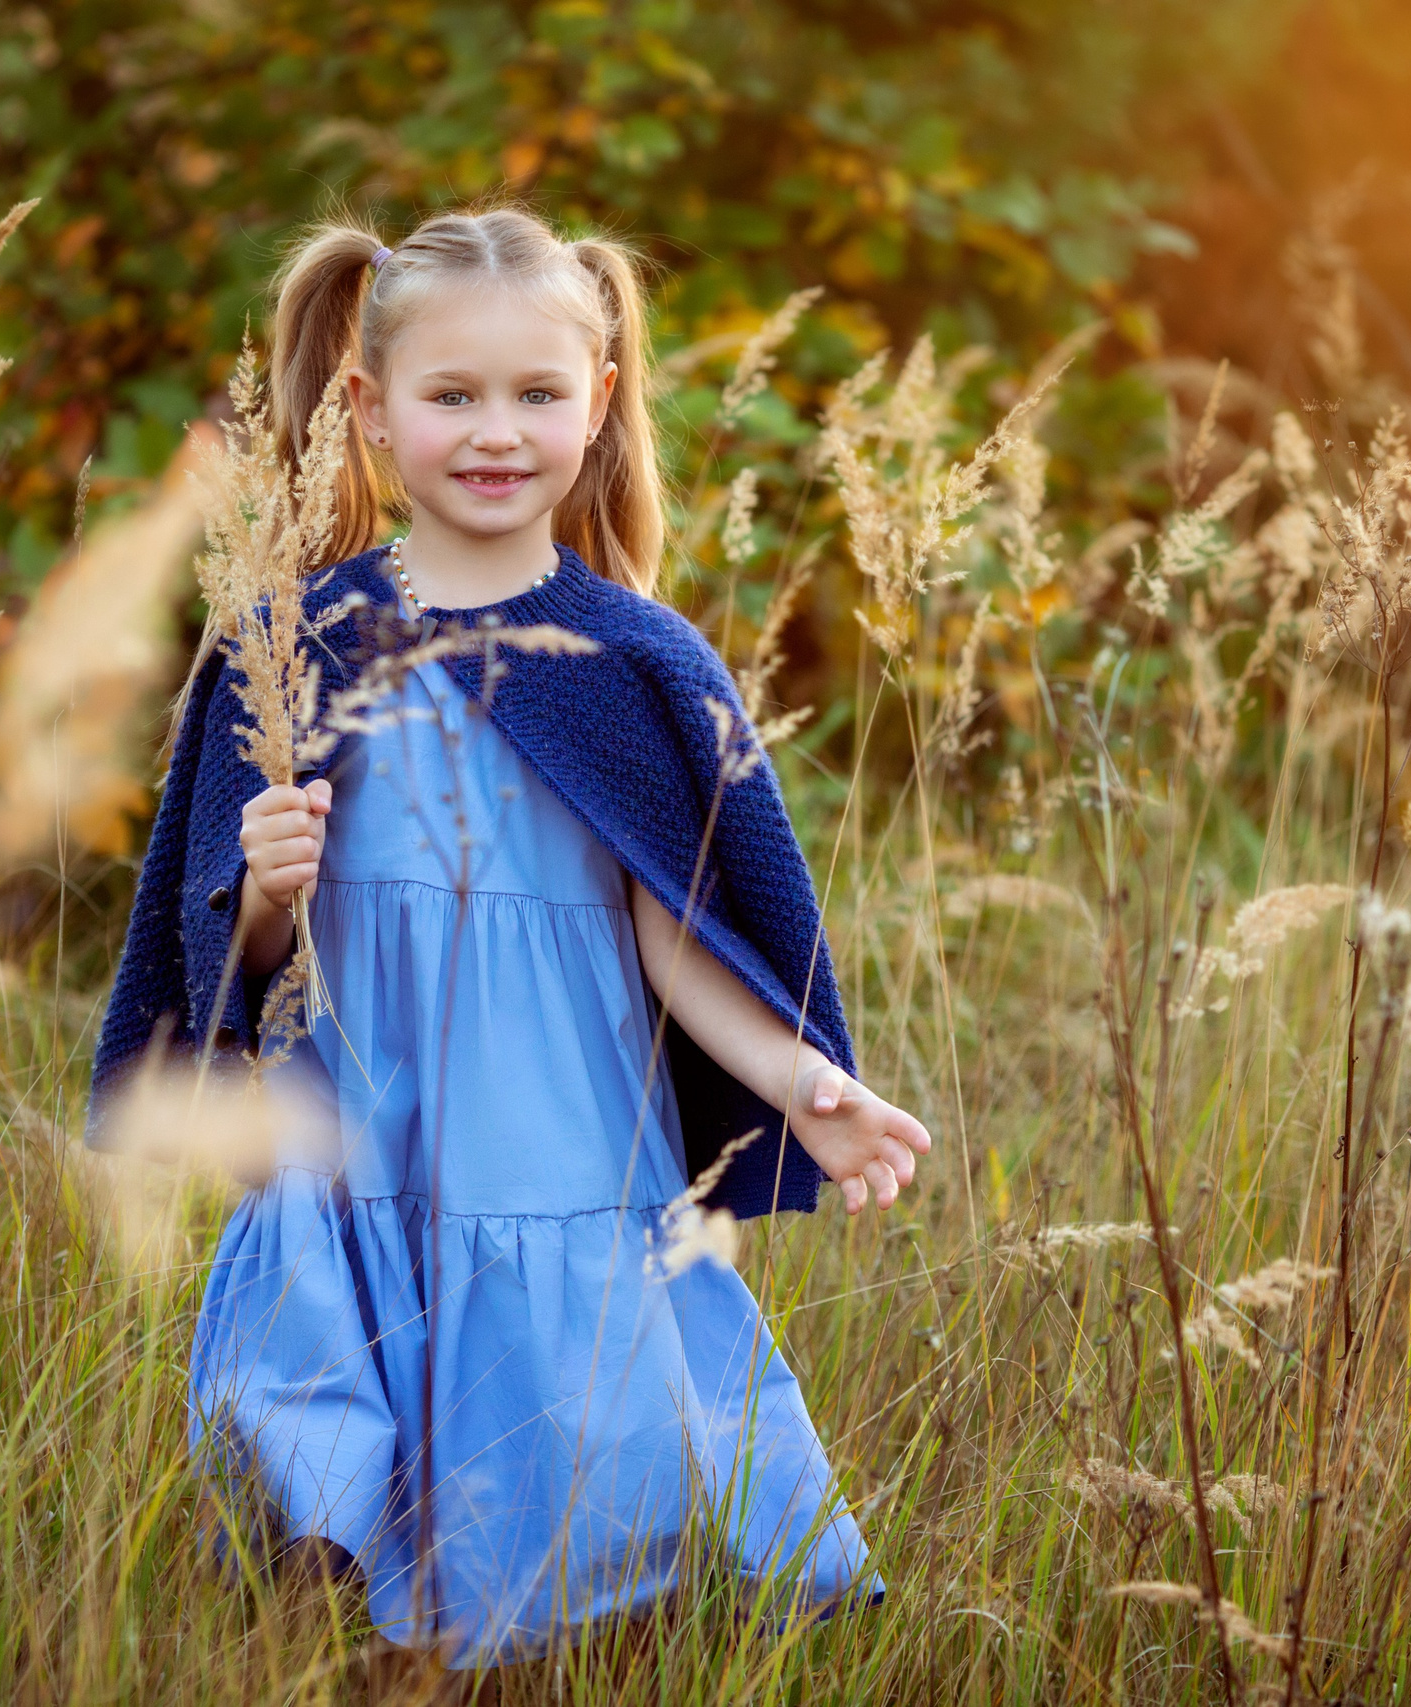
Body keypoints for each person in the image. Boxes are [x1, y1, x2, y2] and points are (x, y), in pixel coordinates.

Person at [88, 206, 931, 1671]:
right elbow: (237, 970)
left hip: (557, 1145)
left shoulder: (641, 660)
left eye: (538, 394)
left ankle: (546, 1659)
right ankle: (352, 1660)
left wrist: (801, 1081)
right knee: (329, 1471)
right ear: (370, 408)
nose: (496, 433)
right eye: (453, 395)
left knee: (563, 1462)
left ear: (599, 402)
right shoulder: (294, 646)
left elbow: (687, 937)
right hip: (359, 1145)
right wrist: (269, 886)